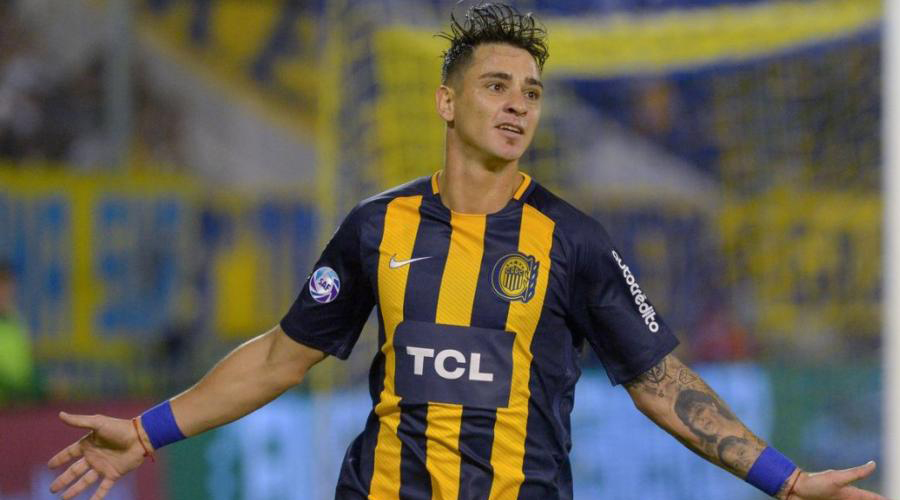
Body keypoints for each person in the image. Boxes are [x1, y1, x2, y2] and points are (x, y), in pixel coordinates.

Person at [47, 4, 887, 500]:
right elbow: (278, 356)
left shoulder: (574, 240)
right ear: (446, 101)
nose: (518, 106)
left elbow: (661, 382)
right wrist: (148, 432)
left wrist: (784, 479)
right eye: (496, 86)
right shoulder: (376, 228)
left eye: (532, 93)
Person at [0, 259, 36, 404]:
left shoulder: (16, 321)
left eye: (7, 285)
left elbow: (25, 368)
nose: (4, 292)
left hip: (17, 407)